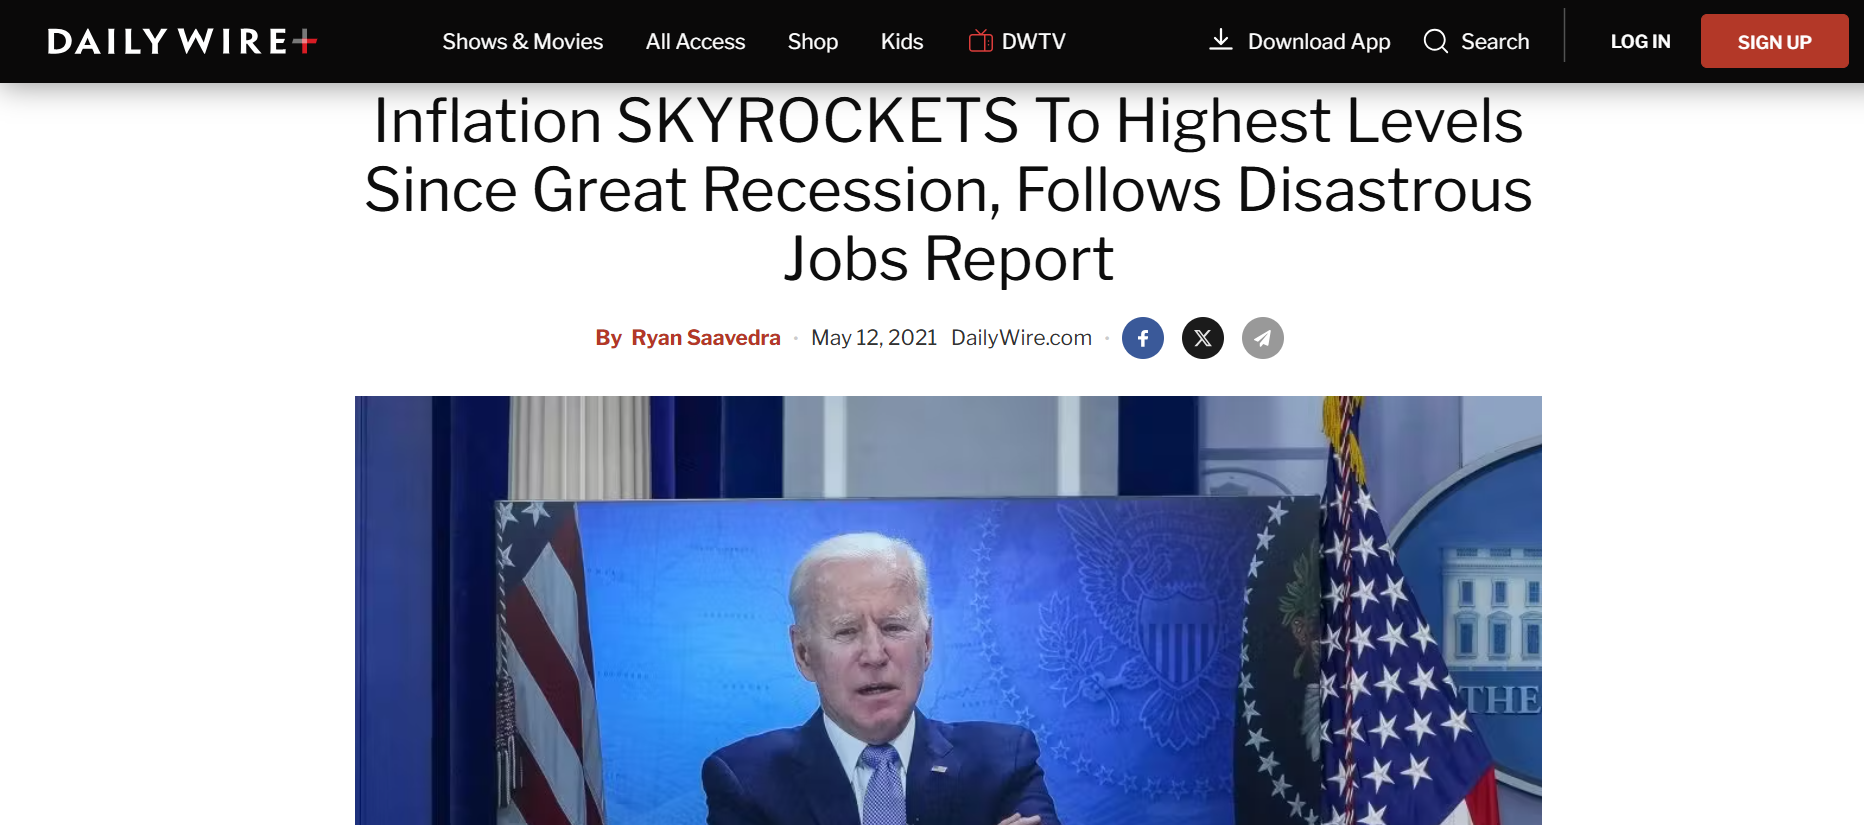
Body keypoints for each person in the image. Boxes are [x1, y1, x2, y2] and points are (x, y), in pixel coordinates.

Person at [702, 532, 1060, 825]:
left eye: (893, 627)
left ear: (927, 643)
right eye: (846, 631)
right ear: (803, 654)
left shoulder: (1003, 760)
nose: (874, 654)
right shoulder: (746, 780)